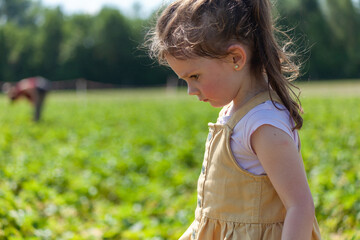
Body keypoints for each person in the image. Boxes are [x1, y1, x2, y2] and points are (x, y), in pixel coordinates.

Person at [147, 0, 321, 239]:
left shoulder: (264, 125)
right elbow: (211, 214)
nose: (191, 90)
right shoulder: (234, 113)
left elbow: (300, 207)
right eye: (185, 80)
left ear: (236, 59)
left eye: (195, 76)